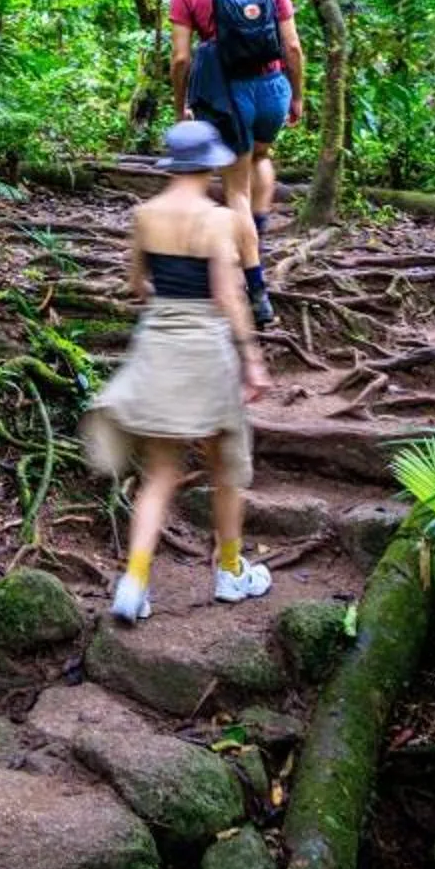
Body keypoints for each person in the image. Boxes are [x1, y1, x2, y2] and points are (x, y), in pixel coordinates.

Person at [83, 120, 274, 625]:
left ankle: (134, 582)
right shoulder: (217, 220)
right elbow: (227, 295)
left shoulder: (144, 214)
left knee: (160, 475)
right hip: (206, 346)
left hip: (158, 341)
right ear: (210, 163)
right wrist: (251, 356)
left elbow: (135, 283)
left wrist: (165, 301)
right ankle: (230, 571)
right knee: (226, 466)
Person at [168, 0, 306, 322]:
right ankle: (256, 232)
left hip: (228, 97)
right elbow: (293, 47)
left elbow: (179, 60)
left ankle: (258, 292)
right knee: (261, 156)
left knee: (236, 192)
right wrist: (297, 96)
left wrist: (181, 108)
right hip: (273, 90)